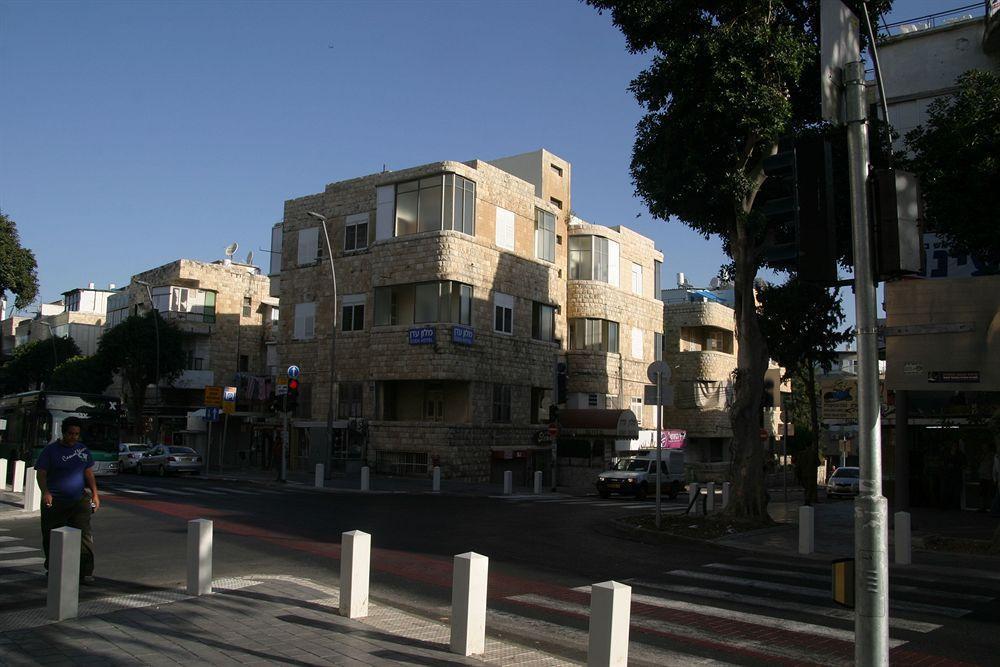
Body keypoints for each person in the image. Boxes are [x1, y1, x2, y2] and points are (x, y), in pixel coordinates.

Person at [35, 417, 100, 583]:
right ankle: (54, 569)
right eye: (71, 433)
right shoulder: (51, 451)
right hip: (55, 501)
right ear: (64, 432)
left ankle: (84, 572)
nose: (74, 437)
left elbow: (88, 473)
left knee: (84, 536)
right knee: (52, 536)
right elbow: (41, 473)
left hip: (78, 500)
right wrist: (45, 492)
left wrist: (95, 494)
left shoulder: (82, 450)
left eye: (77, 434)